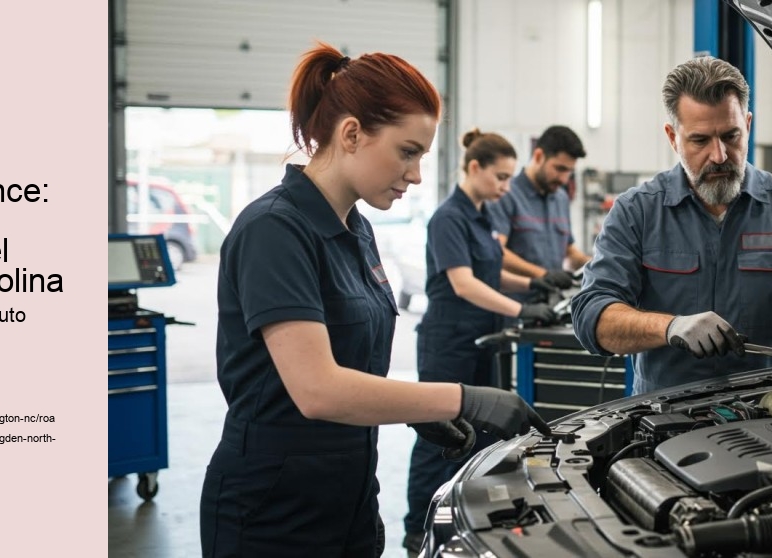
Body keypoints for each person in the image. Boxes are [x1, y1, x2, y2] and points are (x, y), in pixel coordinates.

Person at [199, 44, 551, 558]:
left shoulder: (356, 229)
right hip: (272, 508)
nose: (416, 174)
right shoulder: (275, 229)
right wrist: (460, 398)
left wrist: (409, 411)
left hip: (350, 496)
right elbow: (316, 389)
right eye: (407, 152)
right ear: (351, 134)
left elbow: (349, 358)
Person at [569, 56, 772, 393]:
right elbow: (593, 315)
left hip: (769, 409)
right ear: (673, 137)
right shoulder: (636, 212)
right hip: (663, 417)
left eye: (731, 136)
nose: (719, 156)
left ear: (747, 124)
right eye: (700, 141)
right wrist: (670, 327)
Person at [402, 129, 559, 553]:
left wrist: (537, 280)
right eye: (501, 177)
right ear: (474, 168)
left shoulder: (485, 215)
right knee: (439, 436)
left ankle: (467, 520)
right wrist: (521, 309)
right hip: (448, 341)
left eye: (510, 179)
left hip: (480, 340)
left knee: (483, 433)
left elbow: (491, 272)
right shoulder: (449, 218)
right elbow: (465, 283)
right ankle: (416, 528)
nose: (507, 187)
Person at [487, 125, 592, 299]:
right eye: (559, 169)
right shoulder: (506, 194)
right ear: (538, 156)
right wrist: (543, 274)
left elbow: (570, 253)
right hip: (513, 307)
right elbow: (497, 253)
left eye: (569, 172)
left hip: (550, 306)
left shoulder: (561, 198)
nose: (564, 179)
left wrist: (598, 264)